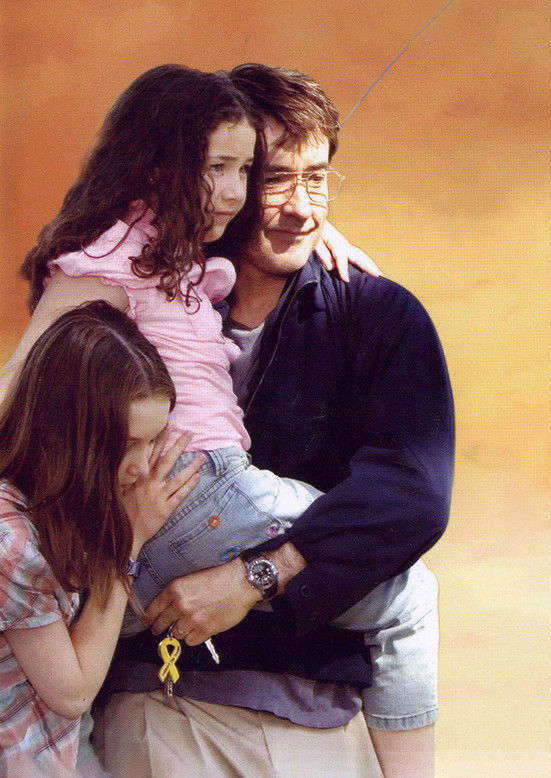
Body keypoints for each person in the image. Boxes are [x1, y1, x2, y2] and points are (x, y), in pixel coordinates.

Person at [4, 64, 446, 777]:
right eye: (270, 178)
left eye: (316, 180)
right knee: (412, 597)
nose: (294, 206)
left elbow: (411, 497)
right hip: (155, 699)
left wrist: (253, 577)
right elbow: (35, 379)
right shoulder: (144, 265)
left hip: (309, 722)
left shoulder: (369, 311)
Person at [0, 301, 202, 777]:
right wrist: (128, 543)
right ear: (68, 433)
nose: (144, 466)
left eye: (154, 439)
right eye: (127, 444)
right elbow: (71, 693)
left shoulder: (61, 497)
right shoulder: (12, 539)